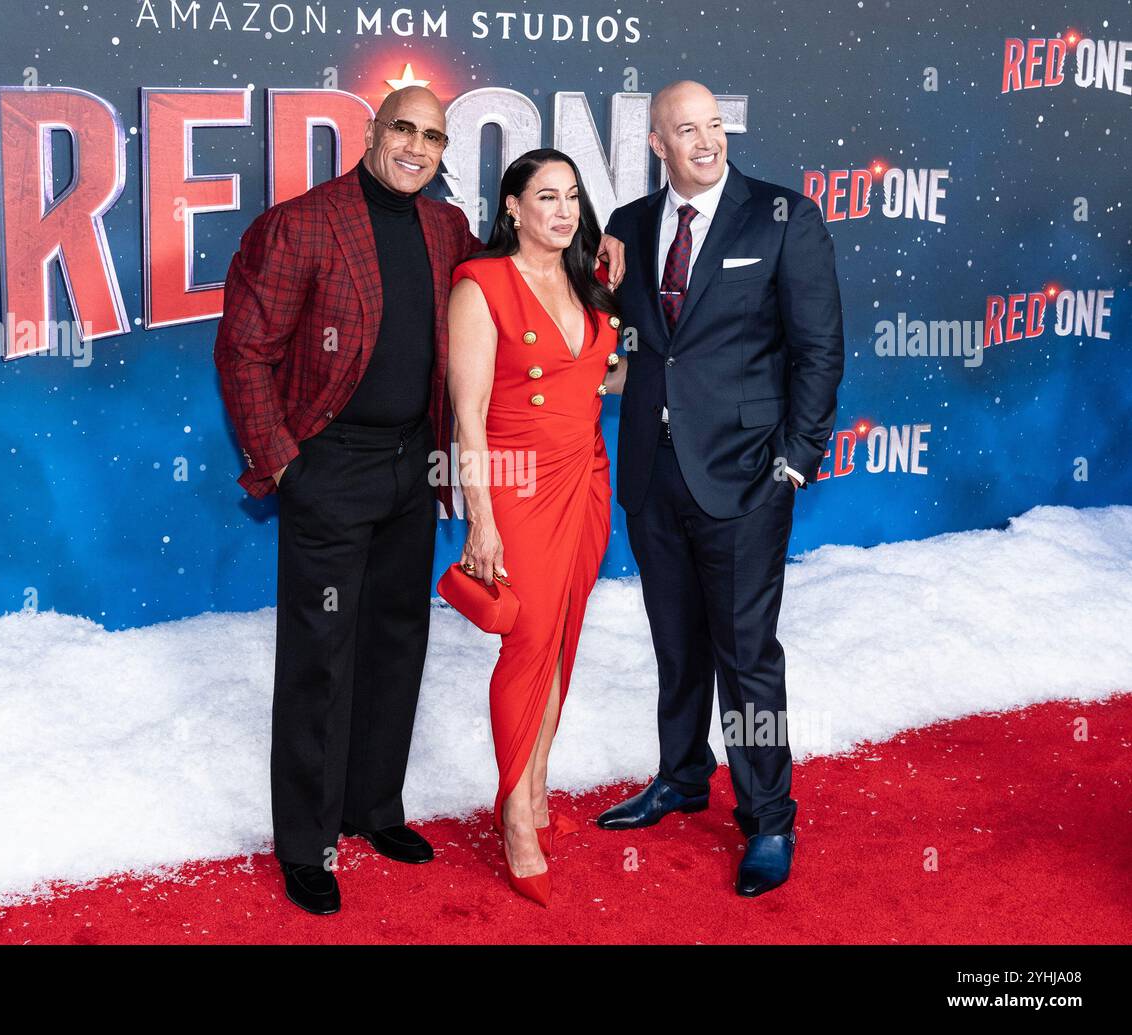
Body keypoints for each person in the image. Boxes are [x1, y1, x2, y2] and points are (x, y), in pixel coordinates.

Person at [214, 89, 626, 916]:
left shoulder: (444, 232)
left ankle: (374, 808)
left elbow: (522, 275)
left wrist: (592, 252)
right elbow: (243, 351)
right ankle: (309, 842)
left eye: (434, 136)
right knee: (319, 656)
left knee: (398, 643)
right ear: (371, 134)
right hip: (328, 468)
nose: (418, 146)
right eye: (403, 129)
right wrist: (285, 466)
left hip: (413, 469)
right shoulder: (300, 223)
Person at [594, 81, 844, 897]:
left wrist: (796, 460)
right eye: (685, 130)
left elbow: (819, 350)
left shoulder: (783, 217)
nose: (706, 141)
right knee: (676, 644)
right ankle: (681, 776)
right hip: (652, 472)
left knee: (746, 658)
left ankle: (769, 813)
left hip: (746, 477)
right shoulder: (628, 225)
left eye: (714, 126)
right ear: (656, 142)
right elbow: (622, 339)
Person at [448, 148, 626, 907]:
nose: (562, 211)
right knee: (525, 645)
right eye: (545, 197)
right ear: (512, 207)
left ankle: (540, 781)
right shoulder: (480, 284)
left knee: (562, 635)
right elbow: (468, 415)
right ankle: (515, 815)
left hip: (586, 475)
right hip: (515, 485)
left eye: (573, 198)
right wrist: (479, 520)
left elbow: (596, 371)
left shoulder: (589, 280)